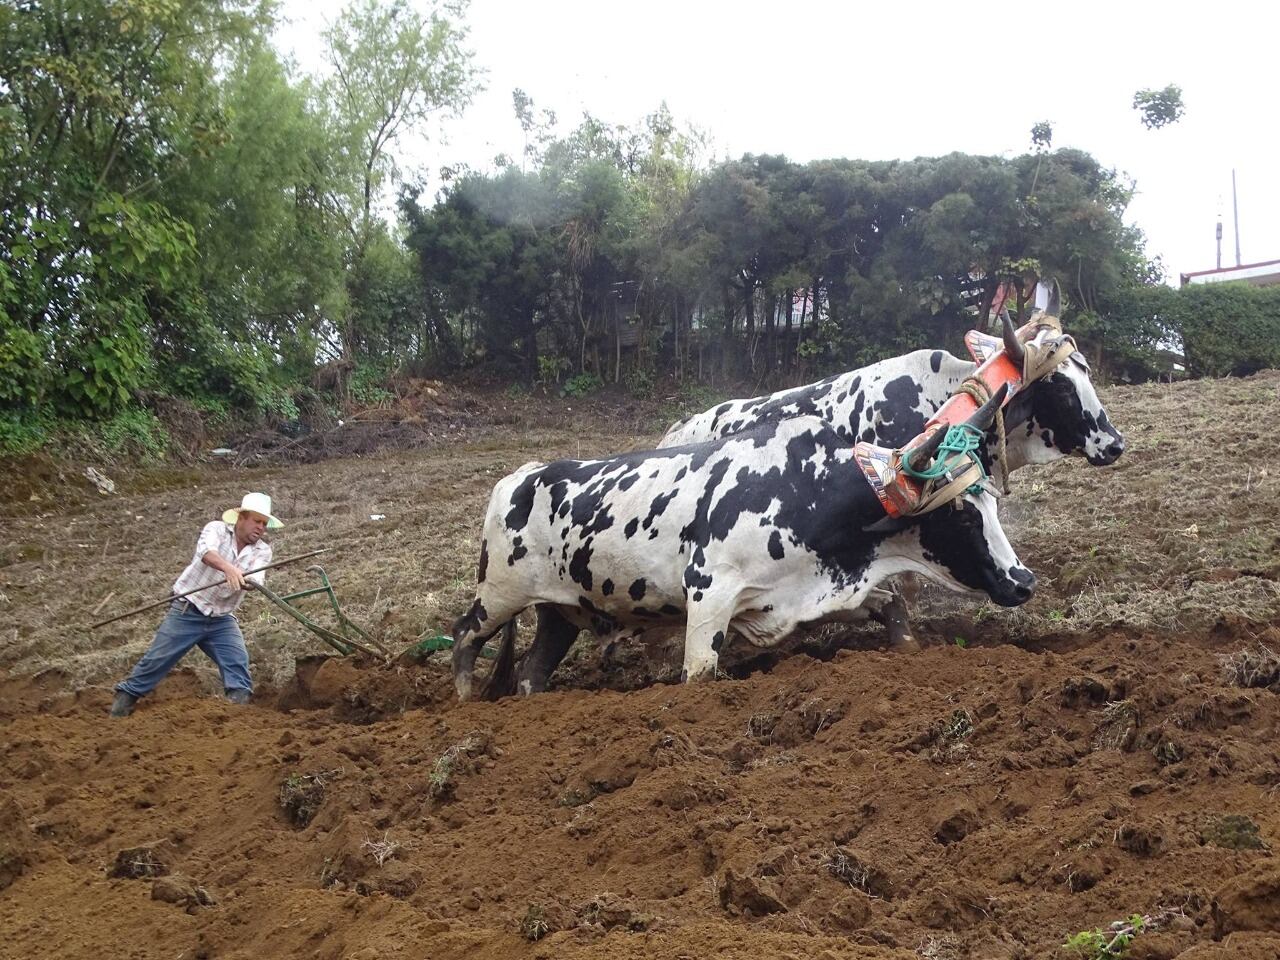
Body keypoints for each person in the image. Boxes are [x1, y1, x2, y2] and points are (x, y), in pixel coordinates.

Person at [109, 492, 282, 718]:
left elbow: (256, 580)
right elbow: (206, 553)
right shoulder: (216, 530)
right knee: (155, 661)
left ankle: (237, 712)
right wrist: (229, 568)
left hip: (221, 619)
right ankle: (123, 703)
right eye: (256, 521)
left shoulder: (262, 550)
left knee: (237, 663)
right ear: (241, 518)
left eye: (264, 524)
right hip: (188, 610)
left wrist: (247, 580)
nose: (260, 528)